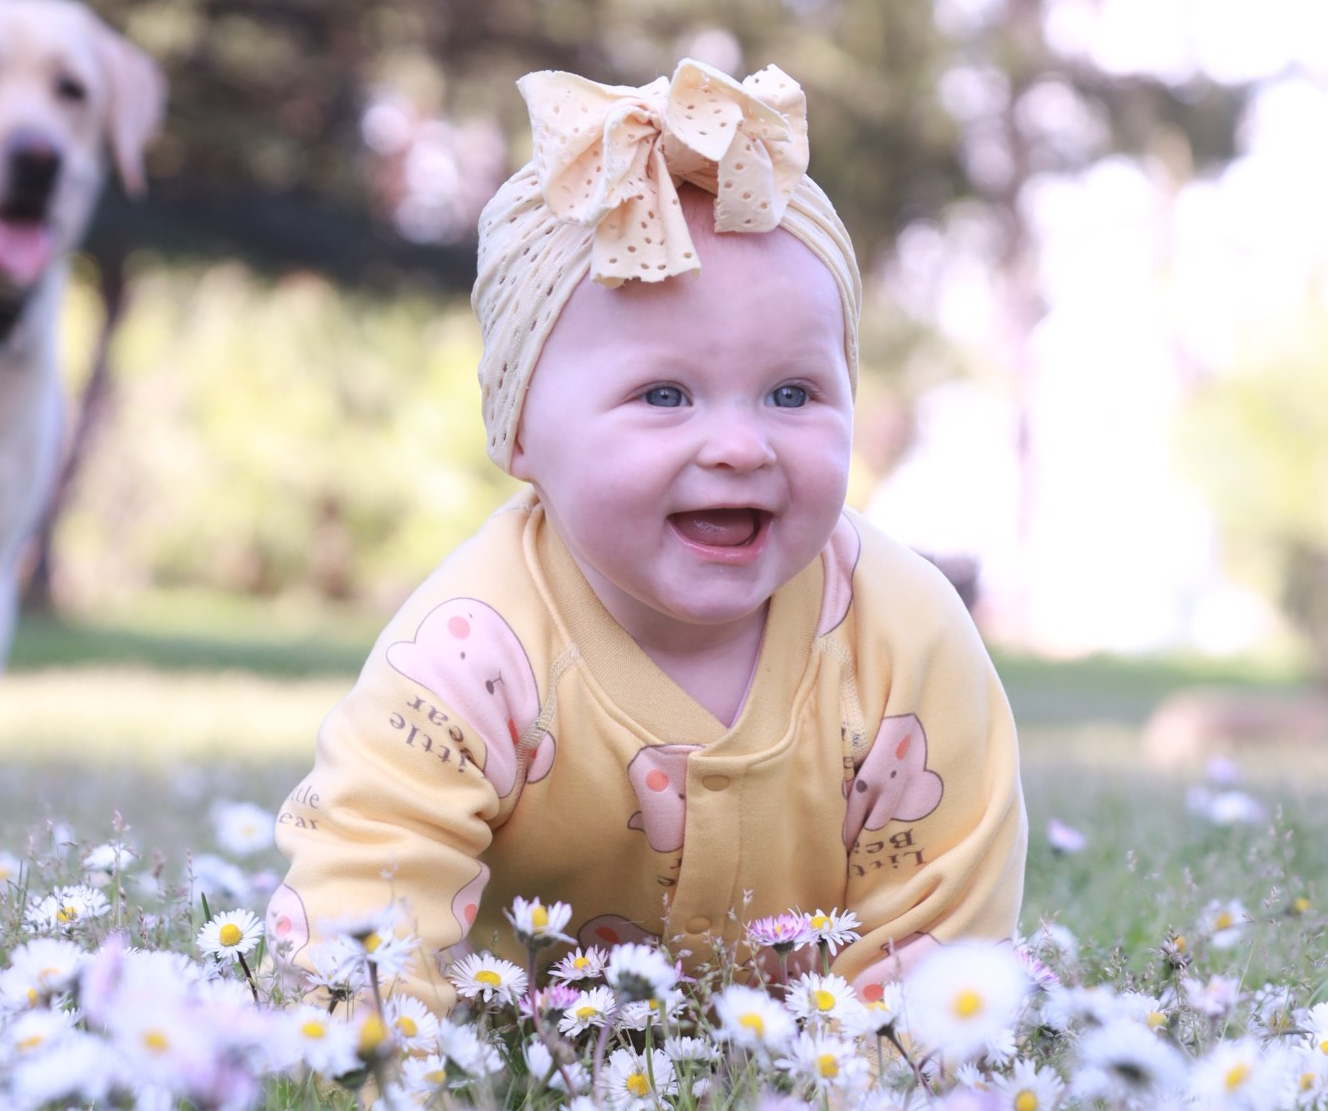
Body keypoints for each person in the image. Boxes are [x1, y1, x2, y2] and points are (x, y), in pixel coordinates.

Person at [269, 57, 1025, 1009]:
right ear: (520, 429)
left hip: (807, 1059)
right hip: (530, 1045)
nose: (741, 445)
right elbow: (364, 887)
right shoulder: (470, 652)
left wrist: (869, 1108)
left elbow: (940, 927)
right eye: (663, 395)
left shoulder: (905, 642)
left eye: (794, 393)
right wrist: (381, 1080)